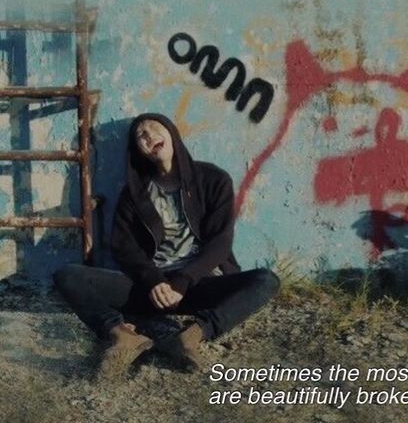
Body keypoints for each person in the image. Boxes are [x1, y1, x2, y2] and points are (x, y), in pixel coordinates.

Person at [54, 113, 280, 378]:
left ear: (171, 132)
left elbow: (221, 242)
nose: (150, 137)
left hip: (199, 285)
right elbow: (123, 247)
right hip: (151, 290)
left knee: (267, 280)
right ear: (138, 150)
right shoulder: (134, 194)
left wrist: (183, 281)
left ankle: (192, 336)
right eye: (142, 136)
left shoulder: (214, 180)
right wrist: (152, 281)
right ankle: (122, 336)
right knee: (67, 275)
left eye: (154, 128)